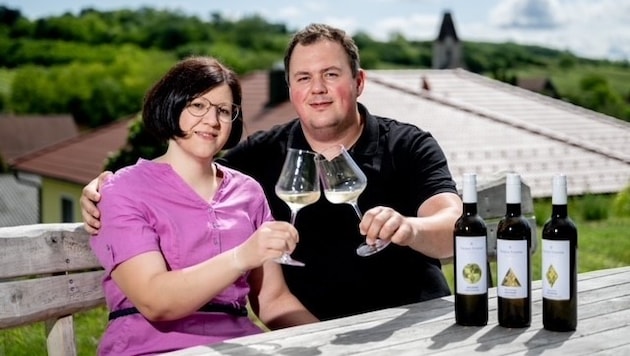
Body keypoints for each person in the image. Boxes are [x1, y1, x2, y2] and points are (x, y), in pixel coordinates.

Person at [82, 23, 462, 322]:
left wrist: (411, 229)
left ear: (358, 82)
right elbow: (189, 168)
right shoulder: (260, 156)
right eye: (303, 78)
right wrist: (108, 184)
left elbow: (453, 228)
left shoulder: (407, 144)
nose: (318, 89)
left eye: (331, 74)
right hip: (316, 331)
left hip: (416, 320)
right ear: (290, 88)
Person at [88, 56, 317, 356]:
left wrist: (327, 338)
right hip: (152, 346)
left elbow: (274, 301)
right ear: (171, 105)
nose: (212, 120)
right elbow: (155, 301)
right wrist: (241, 256)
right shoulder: (123, 190)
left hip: (239, 346)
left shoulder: (247, 191)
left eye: (224, 110)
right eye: (197, 105)